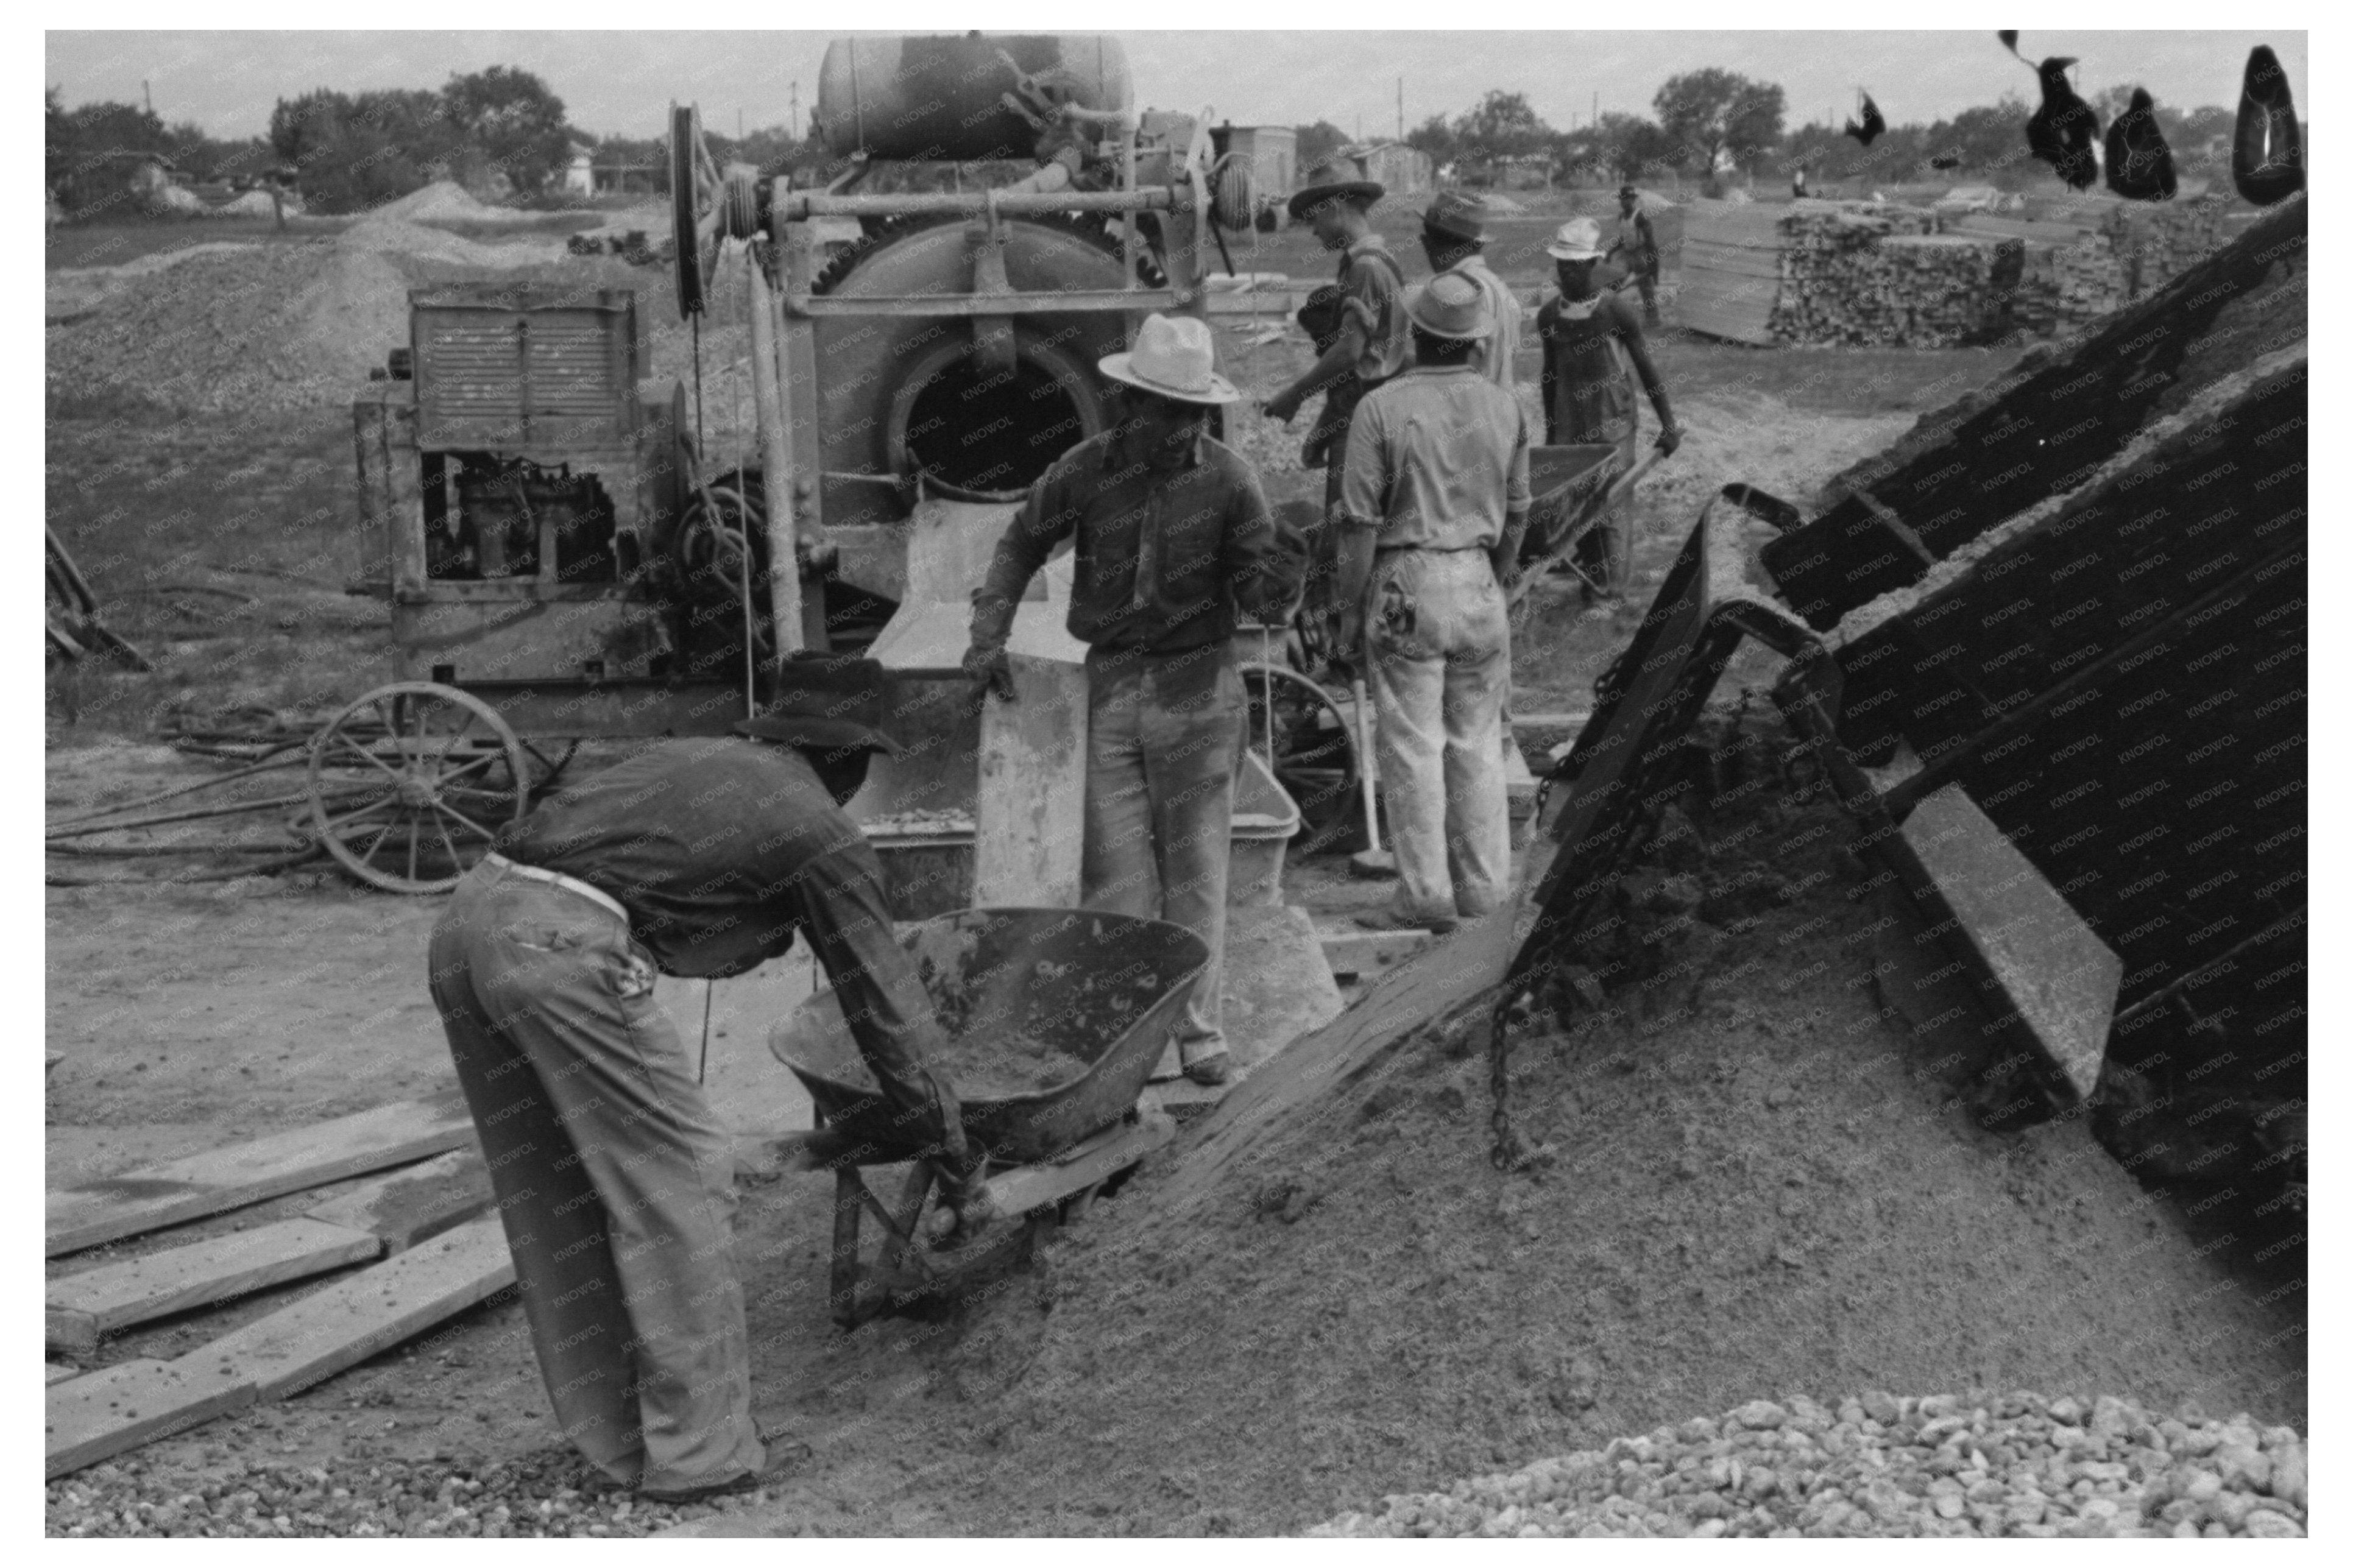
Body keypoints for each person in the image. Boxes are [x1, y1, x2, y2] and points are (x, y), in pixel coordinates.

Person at [427, 655, 986, 1503]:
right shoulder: (818, 828)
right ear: (849, 758)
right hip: (558, 951)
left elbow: (681, 912)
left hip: (468, 923)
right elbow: (888, 1007)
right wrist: (948, 1139)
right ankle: (700, 1460)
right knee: (683, 1181)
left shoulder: (699, 763)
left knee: (559, 1190)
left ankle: (619, 1438)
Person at [964, 313, 1304, 1086]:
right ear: (1132, 406)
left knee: (1195, 873)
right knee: (1117, 880)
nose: (1184, 429)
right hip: (1113, 685)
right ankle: (1126, 1037)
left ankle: (1197, 1033)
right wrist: (988, 635)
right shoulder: (1085, 471)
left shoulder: (1230, 480)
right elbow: (1020, 542)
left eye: (1195, 414)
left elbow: (1262, 597)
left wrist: (1285, 575)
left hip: (1201, 686)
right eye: (1170, 413)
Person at [1335, 272, 1531, 936]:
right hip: (1478, 577)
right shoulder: (1505, 406)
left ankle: (1424, 894)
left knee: (1412, 743)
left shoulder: (1381, 408)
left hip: (1406, 578)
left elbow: (1359, 522)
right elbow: (1521, 509)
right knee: (1476, 741)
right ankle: (1483, 891)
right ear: (1477, 344)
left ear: (1415, 336)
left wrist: (1349, 610)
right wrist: (1494, 576)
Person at [1259, 155, 1410, 646]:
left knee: (1353, 534)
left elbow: (1350, 353)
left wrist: (1294, 395)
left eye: (1316, 216)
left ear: (1342, 206)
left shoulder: (1365, 268)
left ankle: (1351, 645)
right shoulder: (1374, 262)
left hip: (1367, 422)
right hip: (1367, 414)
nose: (1312, 230)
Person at [1534, 216, 1683, 599]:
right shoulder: (1550, 315)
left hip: (1612, 420)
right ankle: (1590, 576)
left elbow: (1647, 369)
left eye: (1575, 266)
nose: (1567, 274)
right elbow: (1549, 375)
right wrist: (1552, 431)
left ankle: (1612, 590)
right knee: (1575, 504)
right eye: (1562, 266)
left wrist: (1668, 425)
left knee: (1612, 503)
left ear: (1591, 266)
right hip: (1570, 420)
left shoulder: (1615, 311)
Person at [1419, 189, 1523, 390]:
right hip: (1500, 412)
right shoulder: (1500, 287)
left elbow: (1458, 374)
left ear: (1429, 244)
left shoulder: (1457, 294)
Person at [1605, 183, 1663, 327]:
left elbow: (1649, 240)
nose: (1625, 202)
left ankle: (1653, 318)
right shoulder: (1622, 217)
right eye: (1623, 199)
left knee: (1646, 287)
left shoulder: (1640, 217)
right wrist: (1610, 252)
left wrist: (1653, 264)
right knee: (1617, 282)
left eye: (1628, 199)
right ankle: (1613, 314)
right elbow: (1623, 238)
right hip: (1627, 253)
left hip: (1640, 253)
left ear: (1633, 200)